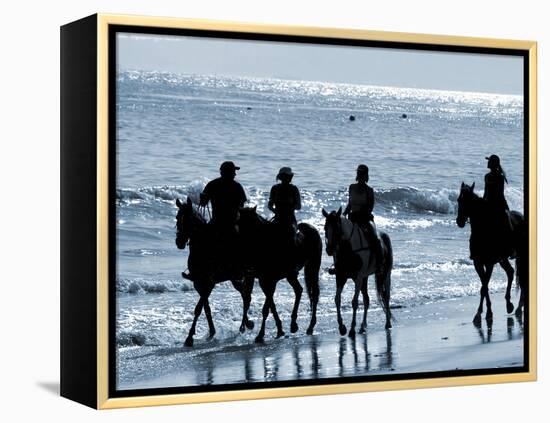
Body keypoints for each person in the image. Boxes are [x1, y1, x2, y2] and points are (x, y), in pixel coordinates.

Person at [182, 161, 247, 281]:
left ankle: (195, 270)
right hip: (231, 223)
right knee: (239, 243)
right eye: (233, 172)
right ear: (228, 173)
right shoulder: (236, 186)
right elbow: (242, 205)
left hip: (215, 222)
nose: (235, 174)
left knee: (200, 242)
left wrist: (202, 198)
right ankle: (239, 270)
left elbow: (203, 203)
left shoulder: (213, 184)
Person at [335, 164, 384, 275]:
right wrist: (345, 213)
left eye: (362, 174)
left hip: (365, 219)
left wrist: (360, 212)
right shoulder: (352, 187)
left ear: (366, 176)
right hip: (352, 218)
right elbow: (350, 203)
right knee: (340, 237)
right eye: (359, 174)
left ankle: (379, 263)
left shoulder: (369, 190)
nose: (360, 176)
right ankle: (338, 263)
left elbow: (370, 207)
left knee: (374, 238)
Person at [483, 154, 514, 257]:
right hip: (488, 204)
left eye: (489, 161)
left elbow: (499, 194)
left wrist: (492, 204)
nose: (487, 163)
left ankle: (512, 247)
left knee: (507, 222)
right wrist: (482, 204)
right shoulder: (486, 176)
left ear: (493, 164)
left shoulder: (500, 177)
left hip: (499, 204)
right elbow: (485, 193)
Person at [268, 167, 302, 251]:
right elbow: (270, 205)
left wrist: (288, 210)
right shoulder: (275, 188)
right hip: (277, 218)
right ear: (282, 177)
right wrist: (275, 211)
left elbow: (298, 206)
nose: (290, 178)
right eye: (288, 176)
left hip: (290, 219)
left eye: (290, 176)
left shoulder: (294, 189)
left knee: (293, 237)